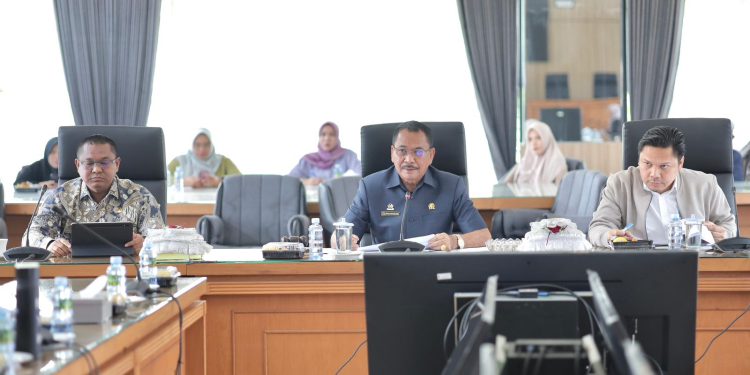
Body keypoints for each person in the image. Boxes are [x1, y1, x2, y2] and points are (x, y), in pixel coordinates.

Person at [341, 120, 491, 251]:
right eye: (402, 151)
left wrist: (455, 241)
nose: (409, 159)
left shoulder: (452, 186)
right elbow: (341, 233)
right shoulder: (370, 187)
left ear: (431, 155)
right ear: (392, 153)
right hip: (385, 270)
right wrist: (343, 242)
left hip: (435, 271)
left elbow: (484, 236)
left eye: (418, 152)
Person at [589, 126, 735, 247]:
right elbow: (599, 226)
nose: (654, 174)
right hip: (638, 265)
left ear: (680, 164)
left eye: (664, 166)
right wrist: (607, 236)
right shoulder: (619, 183)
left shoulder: (706, 184)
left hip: (695, 264)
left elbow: (728, 224)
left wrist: (724, 234)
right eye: (647, 164)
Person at [24, 134, 164, 257]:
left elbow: (162, 241)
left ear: (117, 164)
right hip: (71, 277)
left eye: (104, 162)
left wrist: (145, 244)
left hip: (126, 276)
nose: (97, 169)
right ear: (78, 165)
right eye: (89, 163)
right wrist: (49, 244)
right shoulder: (60, 197)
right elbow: (30, 237)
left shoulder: (140, 196)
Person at [289, 122, 361, 186]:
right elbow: (289, 180)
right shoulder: (308, 160)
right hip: (313, 199)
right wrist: (306, 182)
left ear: (337, 138)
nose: (327, 138)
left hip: (338, 197)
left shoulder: (347, 155)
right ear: (319, 138)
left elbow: (363, 171)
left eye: (332, 134)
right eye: (323, 134)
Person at [168, 128, 240, 188]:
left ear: (211, 145)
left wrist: (219, 181)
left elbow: (240, 181)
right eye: (197, 145)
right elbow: (162, 182)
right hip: (184, 204)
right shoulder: (179, 161)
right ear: (192, 145)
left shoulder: (223, 161)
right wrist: (183, 182)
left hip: (215, 203)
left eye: (206, 145)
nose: (202, 149)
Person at [504, 120, 567, 185]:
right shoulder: (525, 160)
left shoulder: (557, 162)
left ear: (547, 138)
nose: (533, 143)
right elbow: (506, 182)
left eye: (538, 138)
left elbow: (561, 191)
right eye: (530, 139)